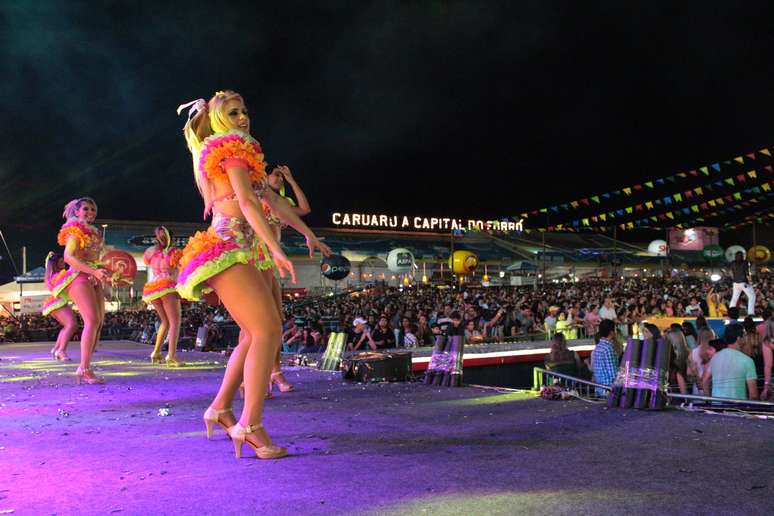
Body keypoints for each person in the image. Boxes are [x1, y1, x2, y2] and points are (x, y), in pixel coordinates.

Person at [178, 90, 323, 460]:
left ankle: (221, 408)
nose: (243, 117)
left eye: (244, 111)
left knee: (253, 334)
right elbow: (244, 202)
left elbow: (271, 201)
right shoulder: (229, 149)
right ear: (219, 119)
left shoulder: (243, 151)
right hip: (228, 247)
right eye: (233, 112)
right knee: (267, 331)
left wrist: (307, 234)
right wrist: (276, 248)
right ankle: (250, 425)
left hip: (244, 249)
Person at [55, 197, 109, 384]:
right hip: (78, 277)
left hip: (92, 278)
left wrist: (101, 272)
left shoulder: (95, 233)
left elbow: (94, 260)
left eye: (93, 209)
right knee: (92, 321)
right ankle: (84, 368)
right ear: (77, 211)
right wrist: (93, 271)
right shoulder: (75, 230)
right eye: (86, 209)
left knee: (98, 323)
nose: (90, 212)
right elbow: (68, 257)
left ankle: (85, 366)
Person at [142, 226, 185, 366]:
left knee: (165, 322)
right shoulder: (175, 252)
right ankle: (171, 356)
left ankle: (156, 352)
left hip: (153, 289)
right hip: (167, 287)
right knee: (175, 322)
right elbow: (181, 271)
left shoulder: (152, 253)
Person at [703, 323, 758, 400]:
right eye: (745, 335)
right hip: (737, 406)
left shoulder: (715, 357)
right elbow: (753, 395)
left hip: (717, 405)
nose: (747, 338)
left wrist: (708, 400)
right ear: (738, 339)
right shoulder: (747, 361)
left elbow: (705, 381)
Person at [42, 252, 78, 361]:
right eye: (61, 262)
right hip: (58, 303)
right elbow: (71, 274)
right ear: (55, 264)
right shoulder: (58, 275)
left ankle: (56, 349)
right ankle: (61, 350)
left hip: (57, 303)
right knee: (71, 325)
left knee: (68, 326)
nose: (64, 263)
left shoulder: (54, 275)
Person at [591, 319, 619, 395]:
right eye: (615, 329)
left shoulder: (598, 347)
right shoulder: (608, 349)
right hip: (609, 390)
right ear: (611, 332)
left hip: (600, 388)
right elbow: (613, 374)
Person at [727, 251, 756, 316]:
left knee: (734, 298)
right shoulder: (745, 262)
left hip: (735, 283)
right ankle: (751, 313)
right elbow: (747, 273)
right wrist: (750, 281)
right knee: (752, 296)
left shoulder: (733, 263)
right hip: (744, 282)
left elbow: (730, 272)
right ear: (742, 256)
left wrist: (734, 279)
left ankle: (730, 312)